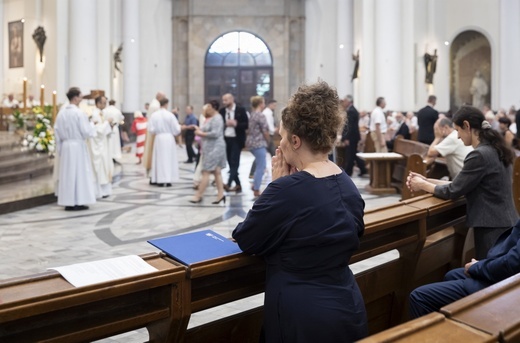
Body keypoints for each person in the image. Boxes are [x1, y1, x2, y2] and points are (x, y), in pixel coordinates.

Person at [232, 81, 368, 342]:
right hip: (347, 305)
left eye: (282, 137)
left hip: (302, 315)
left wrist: (276, 185)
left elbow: (247, 238)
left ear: (295, 140)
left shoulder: (286, 190)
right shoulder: (348, 184)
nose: (279, 144)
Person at [407, 105, 518, 259]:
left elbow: (452, 191)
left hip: (492, 226)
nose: (458, 136)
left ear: (467, 126)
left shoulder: (479, 155)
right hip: (504, 221)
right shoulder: (495, 148)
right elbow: (460, 184)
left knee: (491, 276)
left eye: (458, 130)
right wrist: (426, 180)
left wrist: (422, 185)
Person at [409, 218, 520, 318]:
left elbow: (512, 264)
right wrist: (481, 264)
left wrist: (477, 267)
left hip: (508, 286)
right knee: (452, 275)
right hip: (510, 276)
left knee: (418, 297)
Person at [53, 87, 96, 211]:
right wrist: (92, 125)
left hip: (66, 146)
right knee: (79, 173)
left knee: (68, 174)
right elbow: (86, 131)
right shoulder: (79, 113)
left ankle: (68, 201)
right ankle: (78, 200)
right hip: (77, 146)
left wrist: (61, 148)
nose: (81, 99)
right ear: (75, 97)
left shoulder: (61, 113)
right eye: (80, 97)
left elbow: (57, 132)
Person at [190, 100, 226, 204]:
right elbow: (205, 129)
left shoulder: (217, 118)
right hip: (210, 147)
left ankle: (198, 195)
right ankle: (220, 195)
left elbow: (215, 133)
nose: (207, 108)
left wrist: (200, 133)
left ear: (214, 107)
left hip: (215, 148)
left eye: (209, 106)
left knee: (206, 171)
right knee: (216, 171)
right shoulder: (211, 118)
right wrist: (198, 129)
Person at [148, 98, 181, 187]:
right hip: (169, 138)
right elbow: (177, 129)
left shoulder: (154, 115)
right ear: (167, 104)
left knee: (159, 159)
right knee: (169, 158)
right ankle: (168, 179)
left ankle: (160, 179)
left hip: (159, 138)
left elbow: (151, 130)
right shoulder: (170, 115)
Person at [220, 93, 248, 193]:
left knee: (234, 161)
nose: (224, 102)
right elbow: (219, 125)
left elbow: (246, 124)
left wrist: (236, 124)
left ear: (232, 99)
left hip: (237, 139)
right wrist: (225, 124)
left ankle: (228, 183)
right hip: (226, 139)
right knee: (230, 162)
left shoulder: (241, 110)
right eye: (223, 100)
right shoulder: (222, 111)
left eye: (226, 100)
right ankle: (238, 184)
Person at [88, 95, 113, 199]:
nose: (105, 104)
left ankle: (104, 190)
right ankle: (99, 191)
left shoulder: (101, 113)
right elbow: (98, 130)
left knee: (105, 166)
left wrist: (109, 125)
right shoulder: (95, 114)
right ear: (98, 103)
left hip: (103, 144)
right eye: (103, 102)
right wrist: (108, 122)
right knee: (100, 167)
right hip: (98, 145)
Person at [246, 96, 270, 199]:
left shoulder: (252, 114)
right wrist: (268, 141)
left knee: (261, 164)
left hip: (251, 143)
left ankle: (255, 184)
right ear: (261, 103)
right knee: (261, 166)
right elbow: (265, 131)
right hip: (258, 143)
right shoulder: (260, 115)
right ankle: (256, 189)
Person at [341, 95, 367, 176]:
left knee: (351, 154)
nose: (343, 103)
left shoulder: (351, 111)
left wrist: (346, 138)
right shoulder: (351, 110)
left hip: (351, 137)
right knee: (353, 154)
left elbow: (350, 126)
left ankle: (348, 171)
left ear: (349, 101)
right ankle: (363, 169)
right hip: (353, 137)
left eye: (345, 101)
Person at [143, 92, 165, 176]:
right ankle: (153, 172)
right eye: (164, 97)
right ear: (159, 97)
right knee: (152, 151)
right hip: (154, 133)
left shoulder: (154, 104)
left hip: (153, 131)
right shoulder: (155, 106)